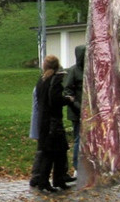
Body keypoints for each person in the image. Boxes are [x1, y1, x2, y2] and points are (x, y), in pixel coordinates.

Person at [28, 54, 75, 192]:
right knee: (54, 153)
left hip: (43, 121)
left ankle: (54, 180)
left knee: (54, 152)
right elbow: (55, 100)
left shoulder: (41, 80)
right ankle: (48, 181)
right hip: (53, 122)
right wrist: (68, 100)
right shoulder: (55, 81)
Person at [62, 45, 85, 178]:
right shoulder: (73, 71)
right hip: (76, 111)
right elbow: (67, 91)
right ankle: (77, 166)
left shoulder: (90, 70)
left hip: (88, 111)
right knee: (78, 138)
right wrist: (77, 106)